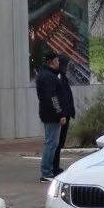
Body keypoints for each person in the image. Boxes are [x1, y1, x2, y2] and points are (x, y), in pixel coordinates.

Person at [35, 50, 66, 183]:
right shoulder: (48, 77)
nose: (59, 62)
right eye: (57, 60)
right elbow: (52, 97)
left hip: (48, 113)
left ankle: (48, 171)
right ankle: (46, 172)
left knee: (51, 142)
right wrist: (60, 113)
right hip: (51, 115)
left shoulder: (45, 75)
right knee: (51, 143)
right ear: (52, 61)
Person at [53, 54, 76, 176]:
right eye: (67, 64)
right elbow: (56, 97)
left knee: (59, 143)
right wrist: (61, 114)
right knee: (56, 143)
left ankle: (55, 167)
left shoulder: (62, 76)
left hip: (65, 114)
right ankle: (54, 168)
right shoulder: (58, 77)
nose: (68, 67)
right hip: (62, 115)